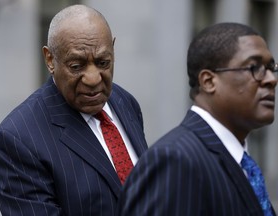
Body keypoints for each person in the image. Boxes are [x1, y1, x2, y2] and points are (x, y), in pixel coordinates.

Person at [0, 4, 148, 216]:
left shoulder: (125, 102)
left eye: (103, 62)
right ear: (50, 60)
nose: (93, 79)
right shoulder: (17, 140)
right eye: (76, 66)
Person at [117, 22, 278, 216]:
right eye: (254, 67)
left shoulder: (242, 162)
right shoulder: (175, 160)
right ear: (209, 81)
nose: (271, 79)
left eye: (270, 67)